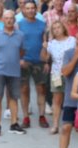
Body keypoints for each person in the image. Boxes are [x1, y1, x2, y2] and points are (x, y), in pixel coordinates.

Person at [0, 9, 26, 135]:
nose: (9, 20)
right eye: (7, 18)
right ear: (3, 20)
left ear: (14, 20)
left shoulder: (20, 35)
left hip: (14, 71)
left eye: (11, 18)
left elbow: (22, 51)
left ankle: (14, 124)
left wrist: (14, 60)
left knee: (14, 97)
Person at [17, 0, 48, 128]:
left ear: (36, 10)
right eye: (27, 8)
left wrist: (46, 61)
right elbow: (16, 43)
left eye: (32, 8)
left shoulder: (42, 24)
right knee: (24, 89)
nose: (30, 10)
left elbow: (46, 44)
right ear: (23, 9)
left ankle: (42, 116)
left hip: (39, 61)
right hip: (25, 61)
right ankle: (25, 117)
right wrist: (19, 59)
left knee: (41, 89)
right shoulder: (19, 25)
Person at [47, 20, 76, 134]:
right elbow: (46, 58)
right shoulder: (51, 43)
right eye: (54, 28)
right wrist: (45, 47)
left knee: (72, 98)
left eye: (59, 27)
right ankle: (55, 124)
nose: (57, 30)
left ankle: (72, 122)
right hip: (56, 74)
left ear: (64, 28)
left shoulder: (72, 40)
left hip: (70, 73)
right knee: (57, 99)